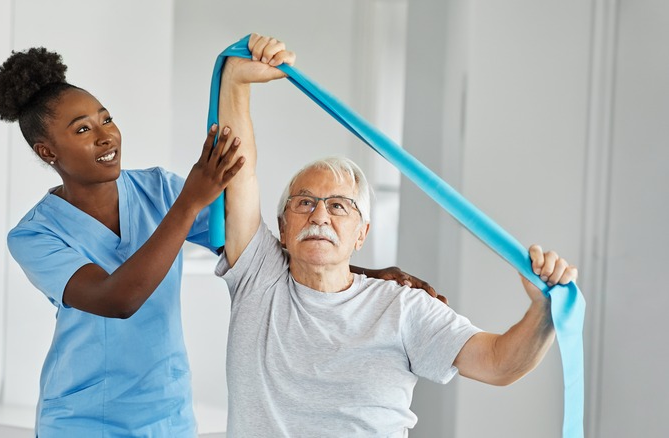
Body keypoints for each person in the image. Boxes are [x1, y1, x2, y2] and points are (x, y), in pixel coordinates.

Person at [0, 40, 436, 437]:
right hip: (82, 421)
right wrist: (189, 201)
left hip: (168, 415)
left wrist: (359, 273)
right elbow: (117, 300)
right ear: (47, 151)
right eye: (83, 129)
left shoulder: (157, 189)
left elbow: (255, 255)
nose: (107, 136)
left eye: (107, 119)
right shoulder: (35, 234)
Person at [214, 35, 579, 437]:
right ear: (282, 227)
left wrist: (543, 311)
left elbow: (498, 363)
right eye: (303, 203)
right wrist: (235, 80)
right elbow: (238, 174)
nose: (319, 214)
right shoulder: (258, 278)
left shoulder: (403, 308)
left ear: (361, 233)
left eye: (339, 206)